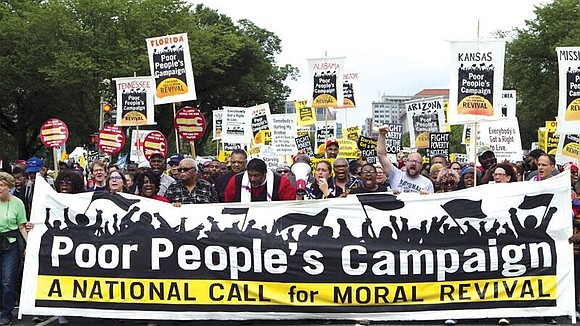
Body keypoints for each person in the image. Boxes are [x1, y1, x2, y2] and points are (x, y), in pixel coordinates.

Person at [0, 172, 32, 326]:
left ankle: (5, 313)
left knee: (7, 281)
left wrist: (29, 245)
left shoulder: (18, 203)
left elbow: (21, 226)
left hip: (11, 244)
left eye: (1, 185)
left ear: (9, 186)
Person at [377, 126, 433, 194]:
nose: (413, 164)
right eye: (411, 161)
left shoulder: (427, 183)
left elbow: (431, 203)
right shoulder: (396, 175)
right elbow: (381, 156)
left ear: (421, 165)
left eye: (417, 162)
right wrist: (382, 135)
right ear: (406, 162)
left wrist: (426, 196)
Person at [224, 158, 295, 202]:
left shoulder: (282, 183)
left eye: (256, 175)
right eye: (250, 175)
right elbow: (228, 203)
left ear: (265, 173)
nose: (252, 179)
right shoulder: (235, 181)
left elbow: (289, 206)